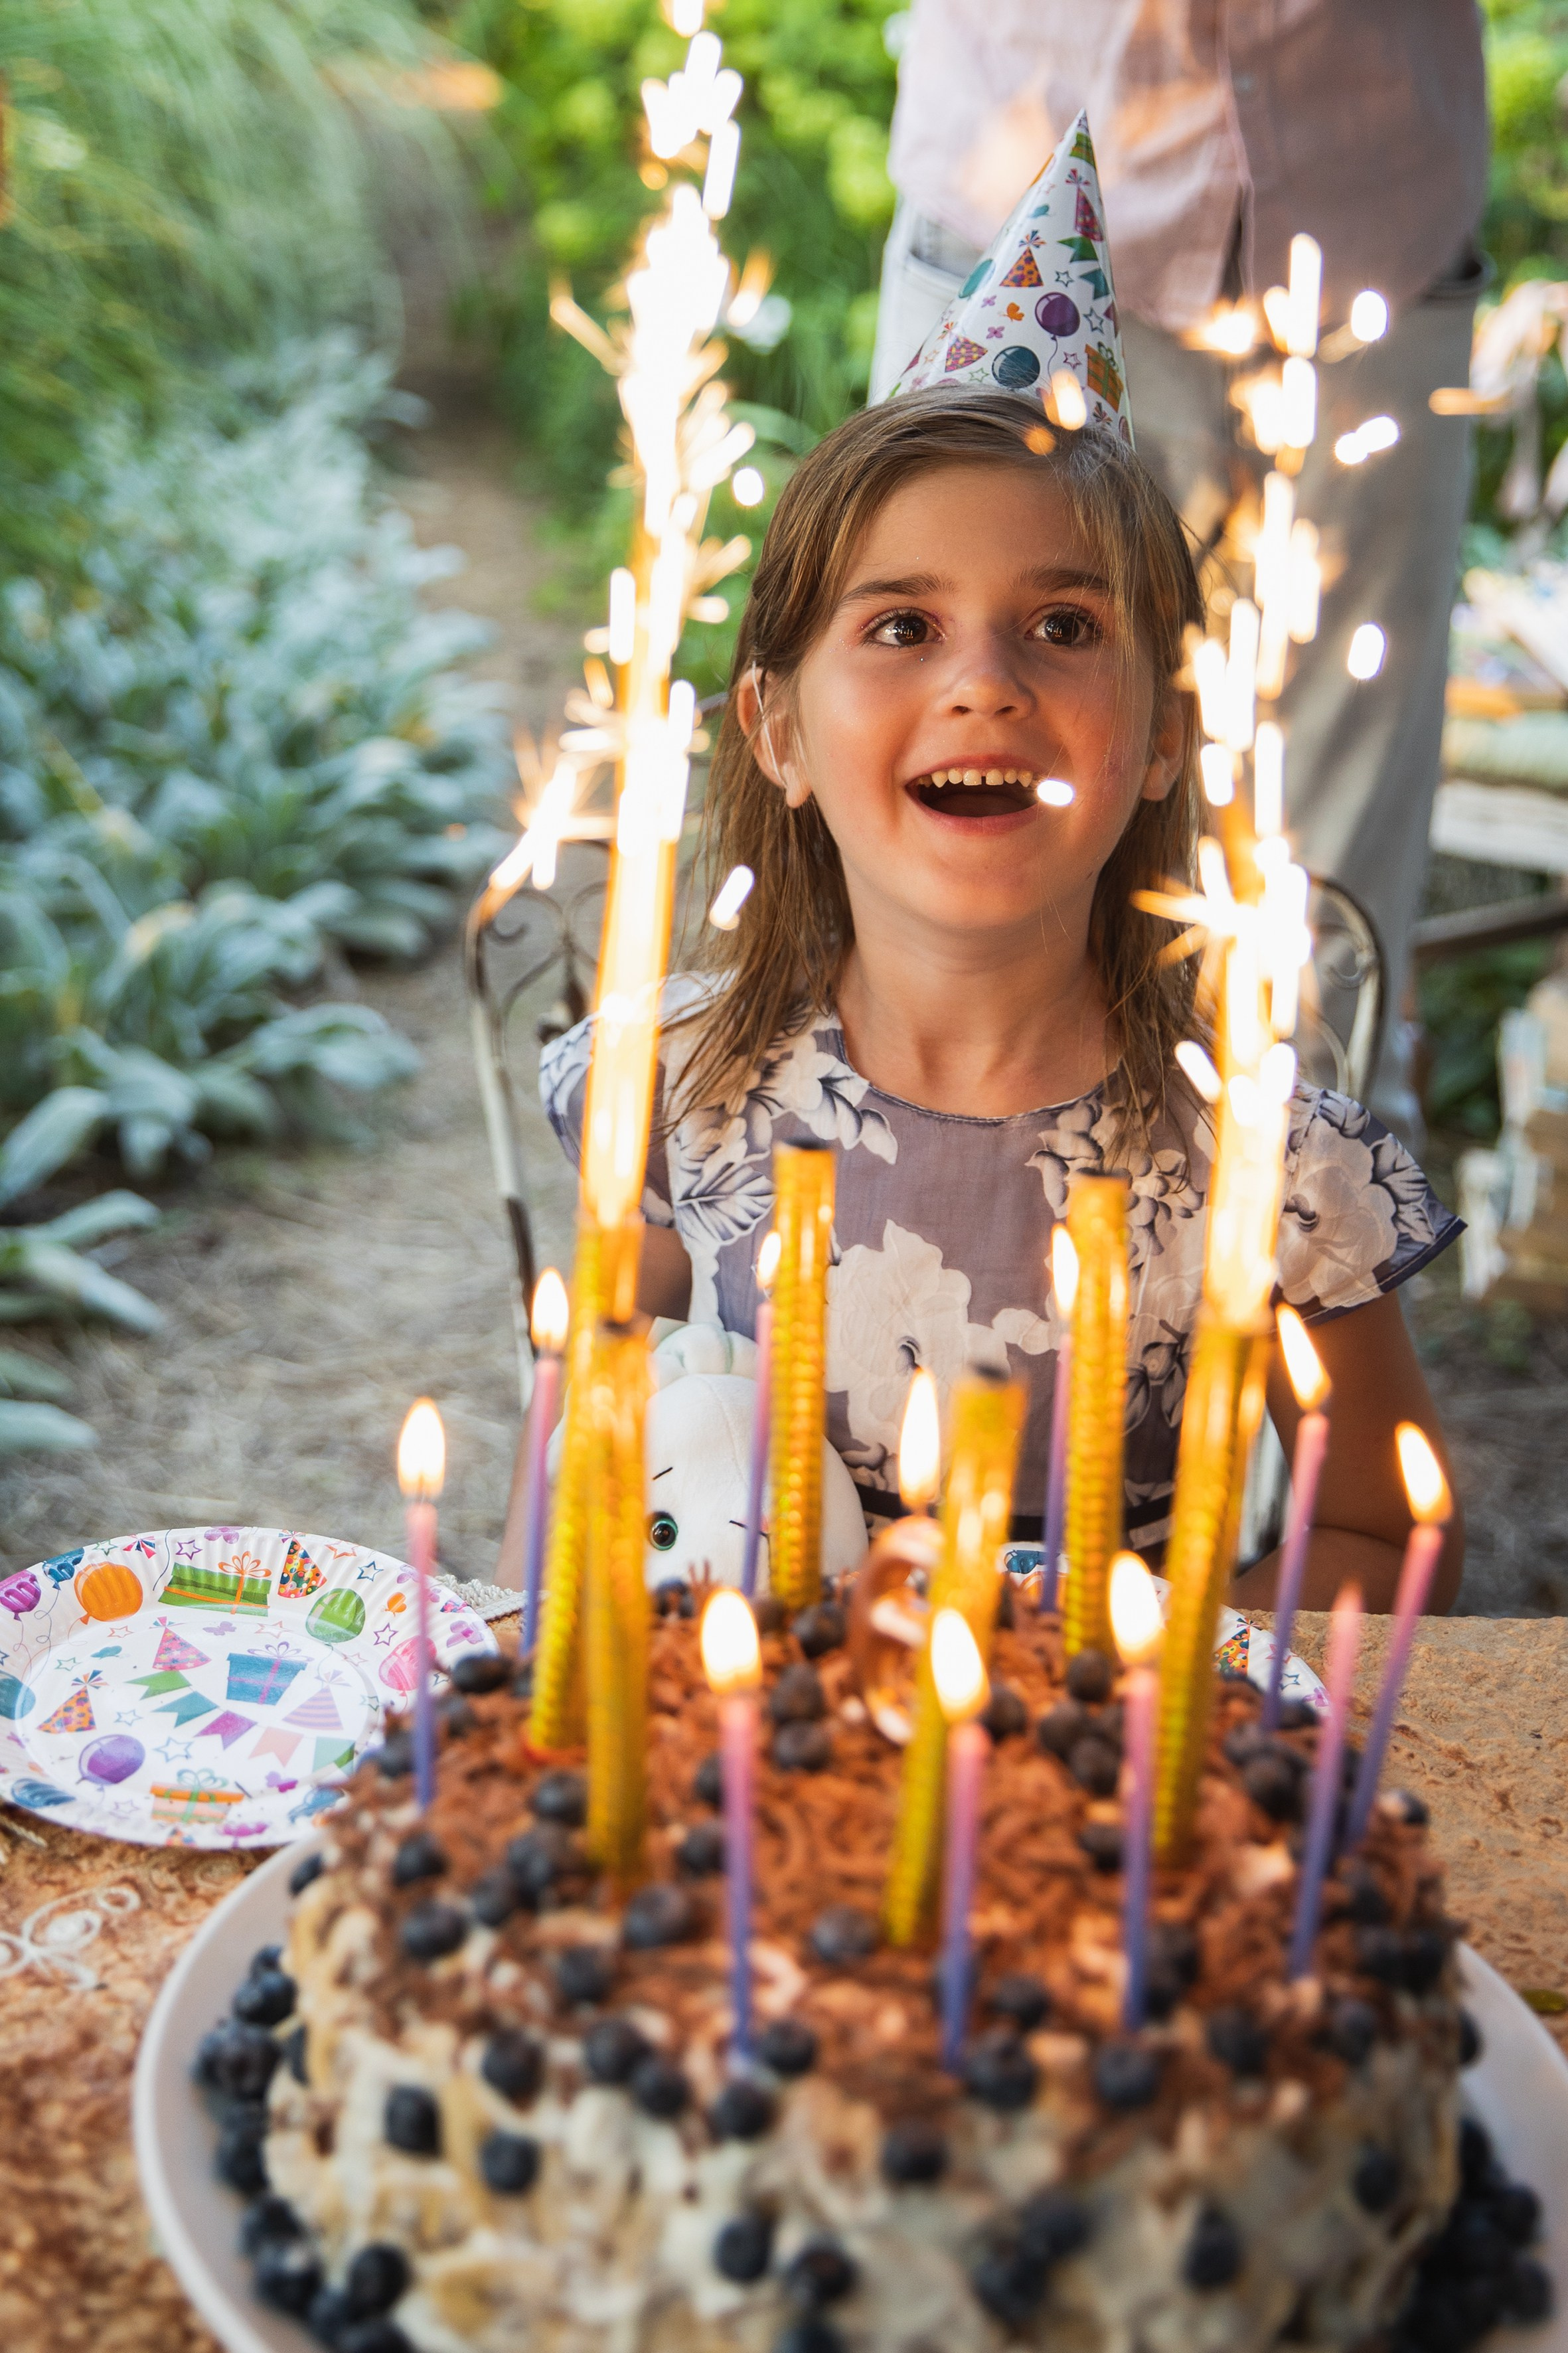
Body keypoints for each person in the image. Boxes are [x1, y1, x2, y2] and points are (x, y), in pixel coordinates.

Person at [540, 384, 1465, 1615]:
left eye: (1064, 626)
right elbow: (581, 1478)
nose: (984, 682)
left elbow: (1385, 1538)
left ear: (1165, 735)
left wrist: (1152, 1664)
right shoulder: (674, 1088)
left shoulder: (1268, 1166)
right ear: (777, 729)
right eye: (902, 626)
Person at [869, 0, 1490, 1134]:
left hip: (1372, 220)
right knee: (971, 795)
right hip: (1017, 218)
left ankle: (1304, 1214)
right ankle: (950, 1203)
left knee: (1328, 862)